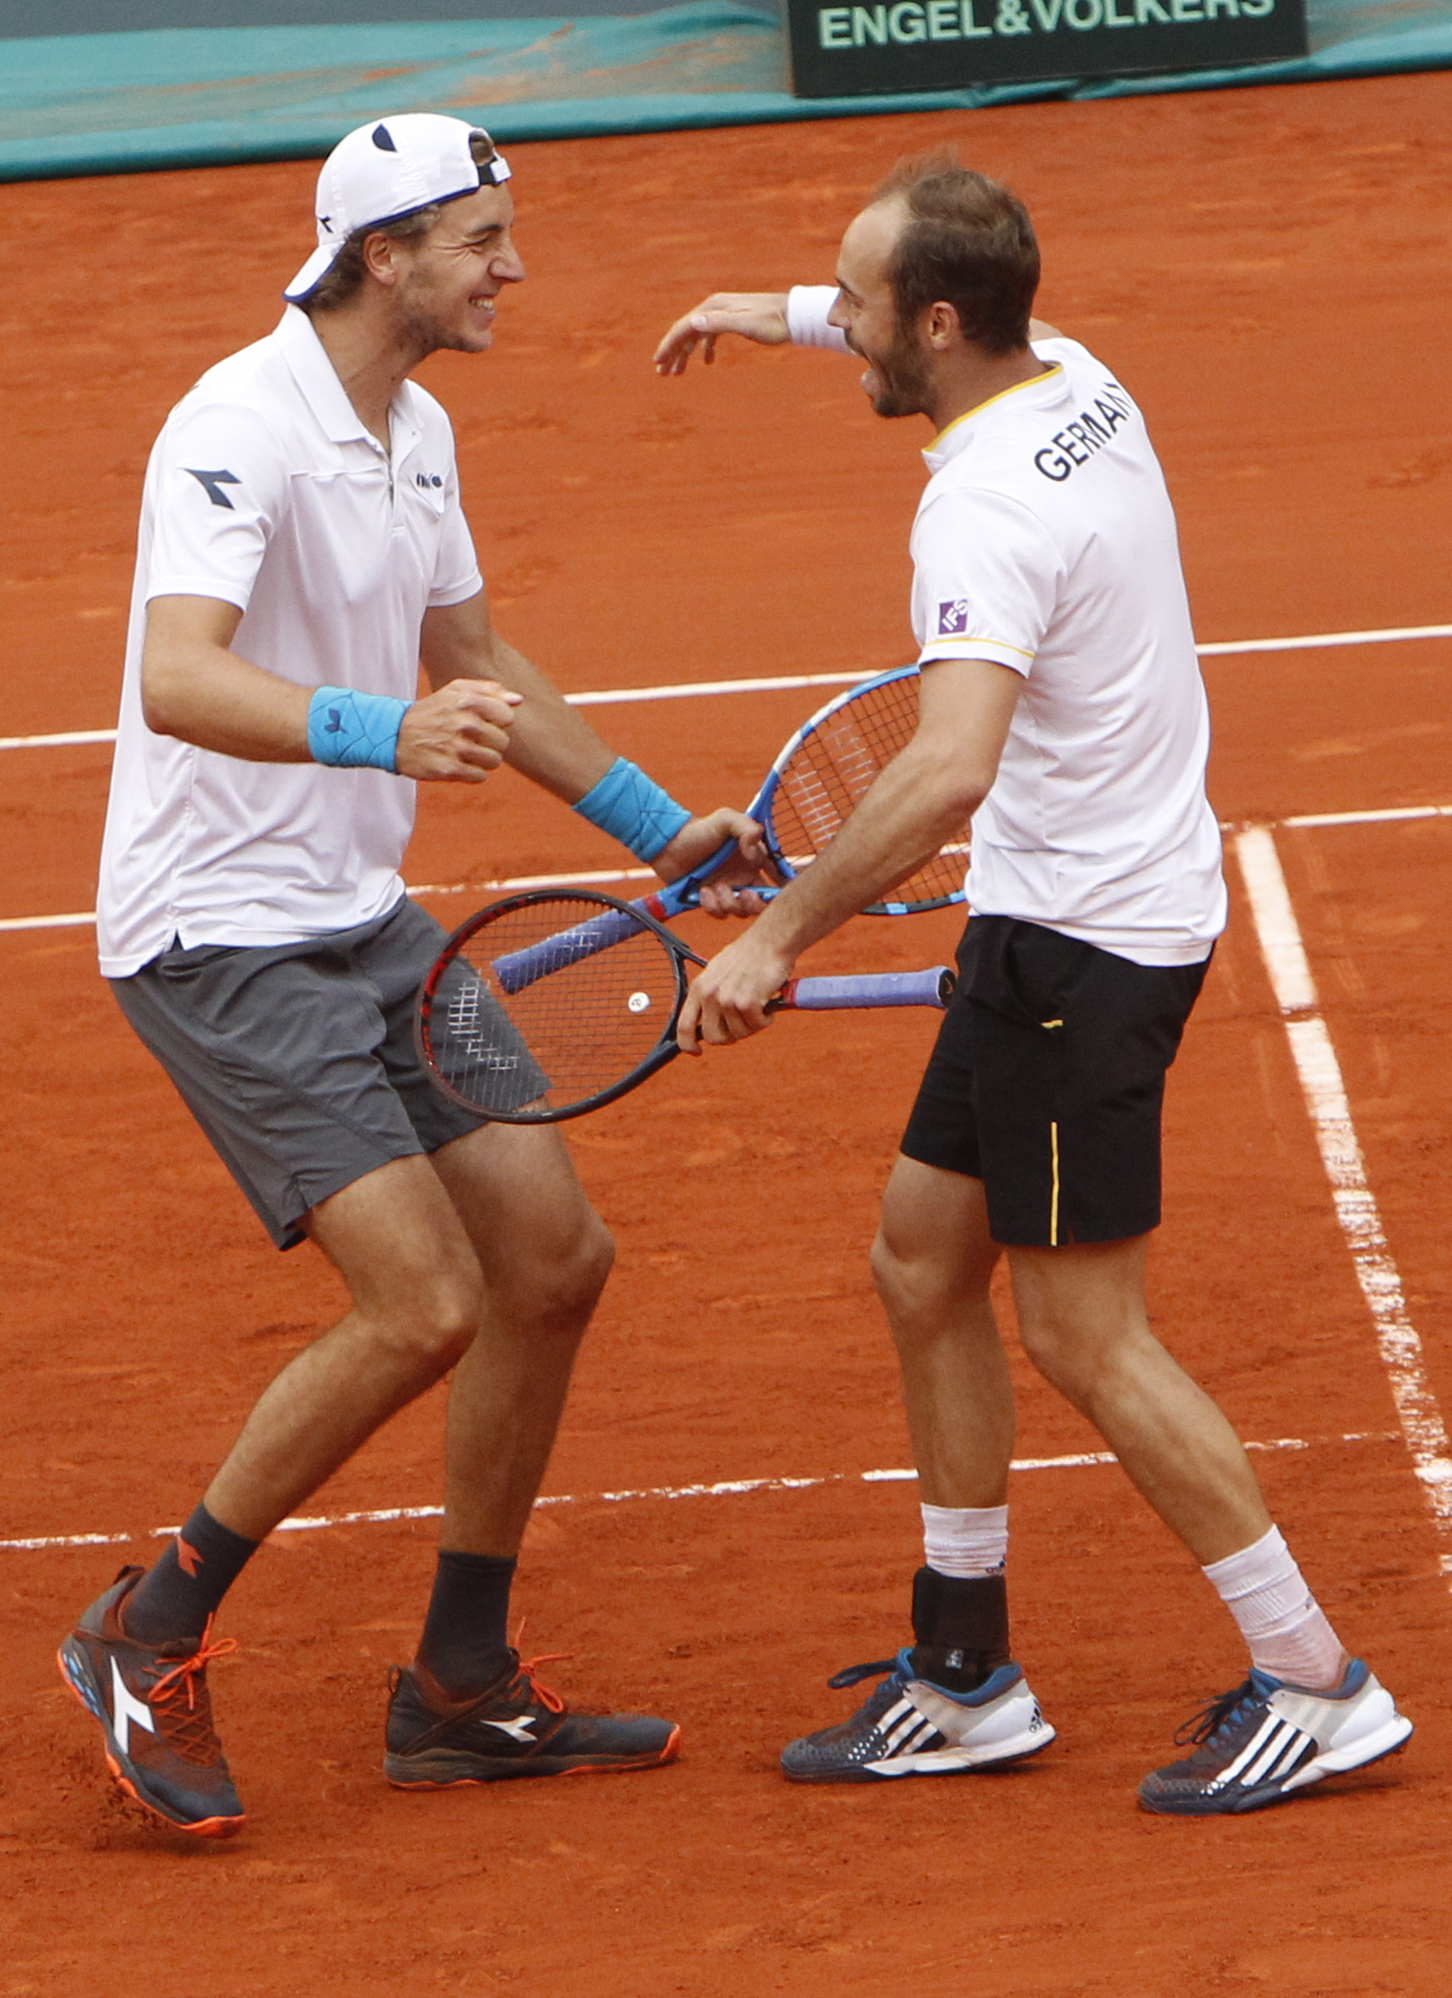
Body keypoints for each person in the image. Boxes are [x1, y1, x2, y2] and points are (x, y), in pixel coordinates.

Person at [651, 151, 1413, 1814]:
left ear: (934, 323)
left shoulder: (980, 504)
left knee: (1086, 1329)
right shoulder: (1074, 370)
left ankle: (1316, 1678)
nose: (836, 322)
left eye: (853, 307)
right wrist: (766, 313)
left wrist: (776, 937)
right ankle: (965, 1671)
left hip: (1087, 945)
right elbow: (922, 295)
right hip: (1055, 923)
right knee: (924, 1261)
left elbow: (943, 770)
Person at [59, 112, 764, 1839]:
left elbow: (473, 652)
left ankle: (457, 1685)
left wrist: (657, 821)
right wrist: (379, 729)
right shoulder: (238, 425)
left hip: (363, 918)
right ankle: (144, 1631)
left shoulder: (418, 423)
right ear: (388, 255)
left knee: (552, 1259)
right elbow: (174, 677)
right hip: (218, 931)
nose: (512, 268)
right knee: (422, 1301)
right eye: (483, 241)